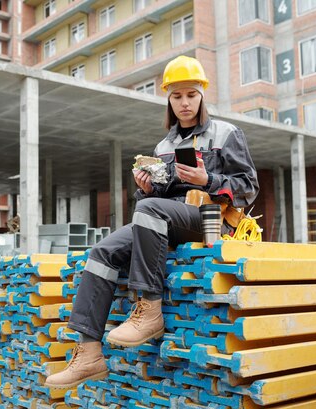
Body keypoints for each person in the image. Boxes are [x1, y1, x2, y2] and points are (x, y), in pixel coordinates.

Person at [45, 55, 259, 389]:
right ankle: (88, 354)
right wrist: (146, 190)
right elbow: (153, 203)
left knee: (151, 211)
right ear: (168, 99)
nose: (184, 103)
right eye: (176, 96)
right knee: (102, 252)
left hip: (212, 219)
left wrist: (207, 180)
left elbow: (248, 188)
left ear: (202, 94)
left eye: (190, 94)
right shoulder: (165, 146)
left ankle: (150, 308)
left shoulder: (226, 133)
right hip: (170, 217)